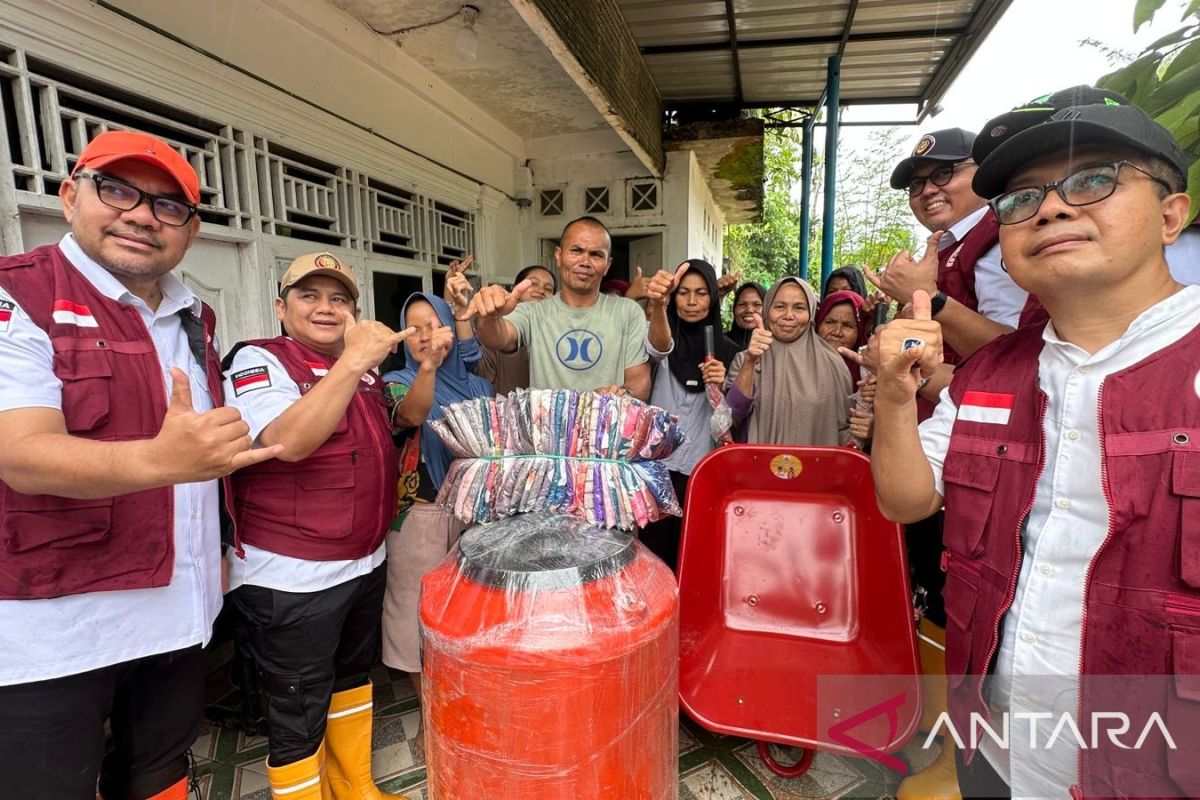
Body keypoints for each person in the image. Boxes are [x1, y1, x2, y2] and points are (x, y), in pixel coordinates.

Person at [871, 102, 1196, 800]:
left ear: (1171, 216)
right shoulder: (991, 373)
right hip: (994, 750)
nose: (1049, 211)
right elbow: (906, 498)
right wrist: (896, 399)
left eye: (1092, 182)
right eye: (1023, 199)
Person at [0, 130, 280, 800]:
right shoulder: (21, 298)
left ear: (190, 230)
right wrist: (163, 460)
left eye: (166, 204)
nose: (141, 214)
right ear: (71, 196)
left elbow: (204, 453)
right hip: (56, 625)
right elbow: (19, 454)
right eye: (117, 189)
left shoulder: (195, 317)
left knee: (158, 774)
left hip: (177, 612)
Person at [223, 252, 413, 799]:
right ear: (281, 307)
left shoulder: (366, 369)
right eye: (309, 295)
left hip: (362, 561)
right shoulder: (259, 361)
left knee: (352, 680)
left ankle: (355, 787)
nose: (325, 308)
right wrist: (354, 361)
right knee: (297, 707)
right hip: (291, 575)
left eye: (339, 298)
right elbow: (288, 441)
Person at [380, 291, 491, 759]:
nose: (427, 335)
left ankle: (467, 705)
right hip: (421, 513)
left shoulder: (480, 388)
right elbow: (411, 416)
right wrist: (427, 367)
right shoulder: (394, 381)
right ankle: (431, 715)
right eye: (415, 327)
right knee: (414, 617)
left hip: (475, 514)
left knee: (469, 616)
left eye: (435, 324)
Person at [871, 127, 1030, 385]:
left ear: (982, 172)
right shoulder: (949, 244)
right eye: (916, 184)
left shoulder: (1001, 236)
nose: (927, 190)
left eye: (943, 173)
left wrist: (929, 298)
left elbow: (1018, 353)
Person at [467, 216, 651, 399]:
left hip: (608, 426)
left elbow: (639, 381)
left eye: (596, 254)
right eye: (576, 251)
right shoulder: (533, 312)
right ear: (558, 255)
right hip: (546, 427)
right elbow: (498, 338)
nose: (585, 262)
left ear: (607, 265)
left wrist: (616, 399)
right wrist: (490, 316)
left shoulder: (628, 312)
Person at [639, 259, 739, 570]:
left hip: (700, 467)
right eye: (683, 293)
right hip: (656, 468)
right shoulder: (662, 335)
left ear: (713, 297)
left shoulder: (729, 350)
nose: (692, 302)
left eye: (701, 293)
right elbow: (659, 346)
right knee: (652, 552)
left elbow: (738, 412)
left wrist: (722, 382)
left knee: (693, 552)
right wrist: (658, 304)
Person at [726, 277, 852, 445]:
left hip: (816, 467)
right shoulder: (744, 359)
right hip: (756, 466)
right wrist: (750, 361)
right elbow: (731, 416)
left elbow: (845, 430)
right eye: (780, 307)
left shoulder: (832, 363)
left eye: (799, 308)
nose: (789, 316)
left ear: (811, 313)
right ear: (767, 310)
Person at [473, 264, 555, 395]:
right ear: (515, 288)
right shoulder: (498, 325)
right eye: (533, 283)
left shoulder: (554, 331)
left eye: (548, 288)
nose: (541, 290)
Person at [725, 280, 766, 350]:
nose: (749, 310)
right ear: (734, 309)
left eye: (757, 304)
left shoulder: (776, 345)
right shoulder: (720, 343)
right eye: (742, 304)